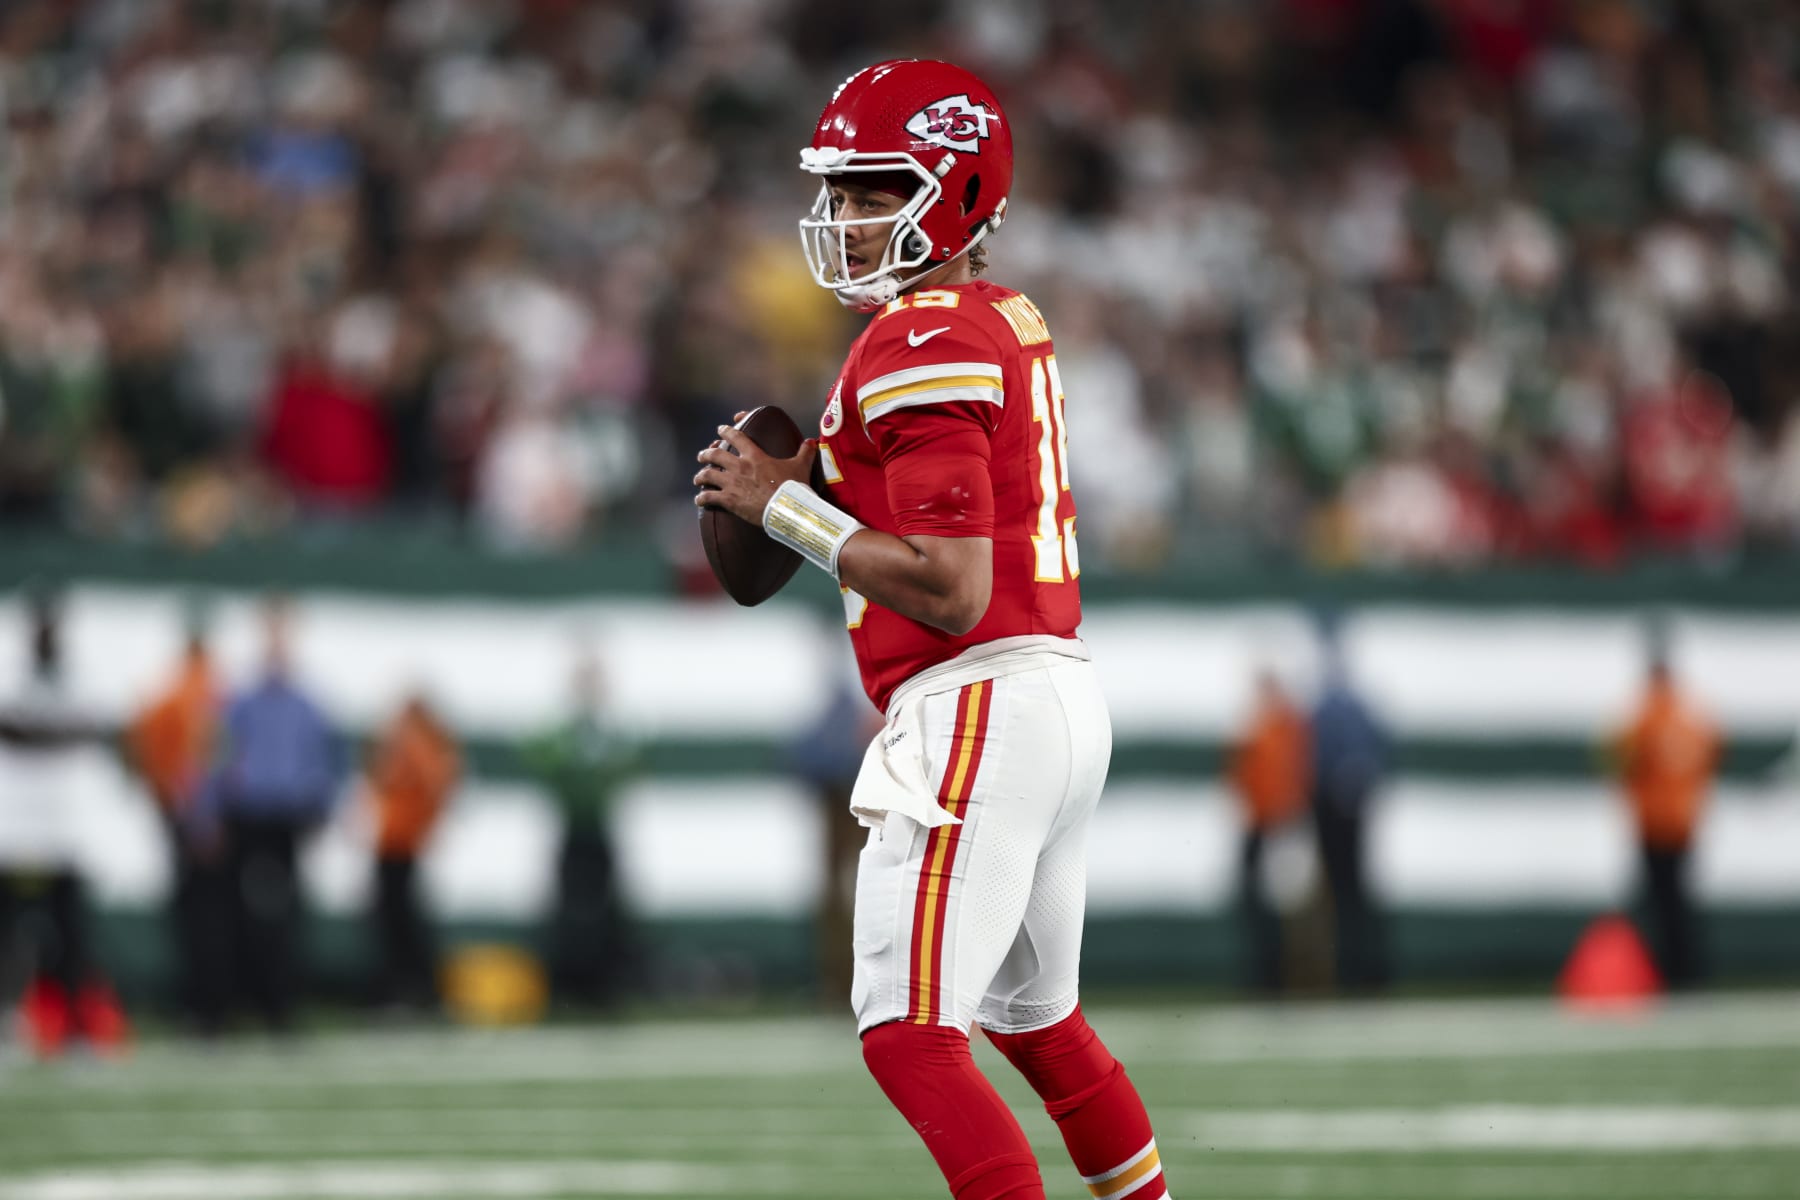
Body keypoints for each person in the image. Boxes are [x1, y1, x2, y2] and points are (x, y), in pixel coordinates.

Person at [694, 60, 1171, 1200]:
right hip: (1048, 694)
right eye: (843, 195)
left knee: (910, 1034)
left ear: (952, 194)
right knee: (1037, 1024)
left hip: (976, 702)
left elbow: (949, 587)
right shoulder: (998, 316)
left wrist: (786, 508)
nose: (847, 221)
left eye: (872, 193)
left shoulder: (924, 337)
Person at [195, 595, 344, 1031]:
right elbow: (215, 755)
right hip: (247, 814)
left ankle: (279, 1006)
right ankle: (230, 1004)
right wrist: (207, 810)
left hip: (287, 817)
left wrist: (322, 807)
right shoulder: (241, 700)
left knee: (283, 914)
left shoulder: (308, 703)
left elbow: (326, 761)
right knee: (235, 914)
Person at [0, 585, 128, 1056]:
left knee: (72, 938)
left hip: (63, 832)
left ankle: (77, 1028)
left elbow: (86, 726)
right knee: (10, 935)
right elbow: (20, 729)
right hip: (14, 832)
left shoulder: (81, 677)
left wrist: (41, 732)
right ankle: (11, 1021)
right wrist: (52, 732)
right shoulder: (11, 673)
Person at [126, 609, 228, 1034]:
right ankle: (211, 1008)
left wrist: (165, 800)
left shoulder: (172, 695)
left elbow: (144, 751)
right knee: (211, 917)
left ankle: (199, 1007)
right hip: (206, 819)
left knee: (194, 916)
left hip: (183, 815)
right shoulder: (211, 694)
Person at [521, 649, 641, 1010]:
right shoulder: (565, 734)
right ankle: (571, 984)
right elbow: (541, 756)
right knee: (571, 908)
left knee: (604, 909)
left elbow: (626, 768)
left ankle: (604, 985)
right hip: (573, 831)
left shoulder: (610, 735)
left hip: (598, 831)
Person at [1608, 646, 1720, 990]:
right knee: (1680, 904)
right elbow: (1713, 755)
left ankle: (1669, 975)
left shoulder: (1647, 717)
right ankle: (1689, 974)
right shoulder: (1692, 717)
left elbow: (1619, 760)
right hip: (1685, 823)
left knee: (1661, 907)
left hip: (1655, 825)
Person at [1308, 626, 1392, 994]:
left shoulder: (1340, 709)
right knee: (1348, 893)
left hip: (1343, 812)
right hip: (1339, 811)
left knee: (1350, 893)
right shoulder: (1344, 709)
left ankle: (1360, 971)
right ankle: (1356, 971)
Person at [364, 691, 460, 1011]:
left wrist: (425, 824)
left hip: (401, 842)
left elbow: (437, 783)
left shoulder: (415, 744)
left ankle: (413, 991)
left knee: (401, 920)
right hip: (393, 840)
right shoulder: (411, 742)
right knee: (396, 919)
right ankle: (408, 990)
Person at [1226, 669, 1310, 995]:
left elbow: (1287, 781)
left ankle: (1278, 978)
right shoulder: (1260, 728)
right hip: (1260, 826)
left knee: (1280, 905)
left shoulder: (1282, 728)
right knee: (1258, 905)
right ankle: (1264, 975)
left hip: (1277, 826)